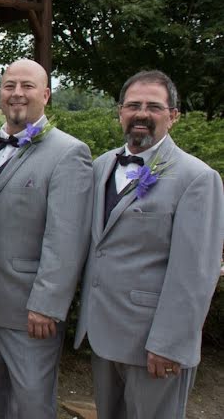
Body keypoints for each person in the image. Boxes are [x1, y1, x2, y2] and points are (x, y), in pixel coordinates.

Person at [74, 70, 224, 418]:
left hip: (154, 344)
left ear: (173, 116)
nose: (142, 113)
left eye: (154, 106)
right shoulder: (101, 166)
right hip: (103, 334)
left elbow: (196, 272)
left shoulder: (197, 178)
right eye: (134, 105)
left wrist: (169, 344)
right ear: (120, 112)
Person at [0, 59, 93, 418]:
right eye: (9, 86)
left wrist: (48, 304)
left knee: (31, 404)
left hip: (29, 308)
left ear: (46, 95)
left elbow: (66, 238)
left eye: (27, 86)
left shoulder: (69, 153)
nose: (17, 93)